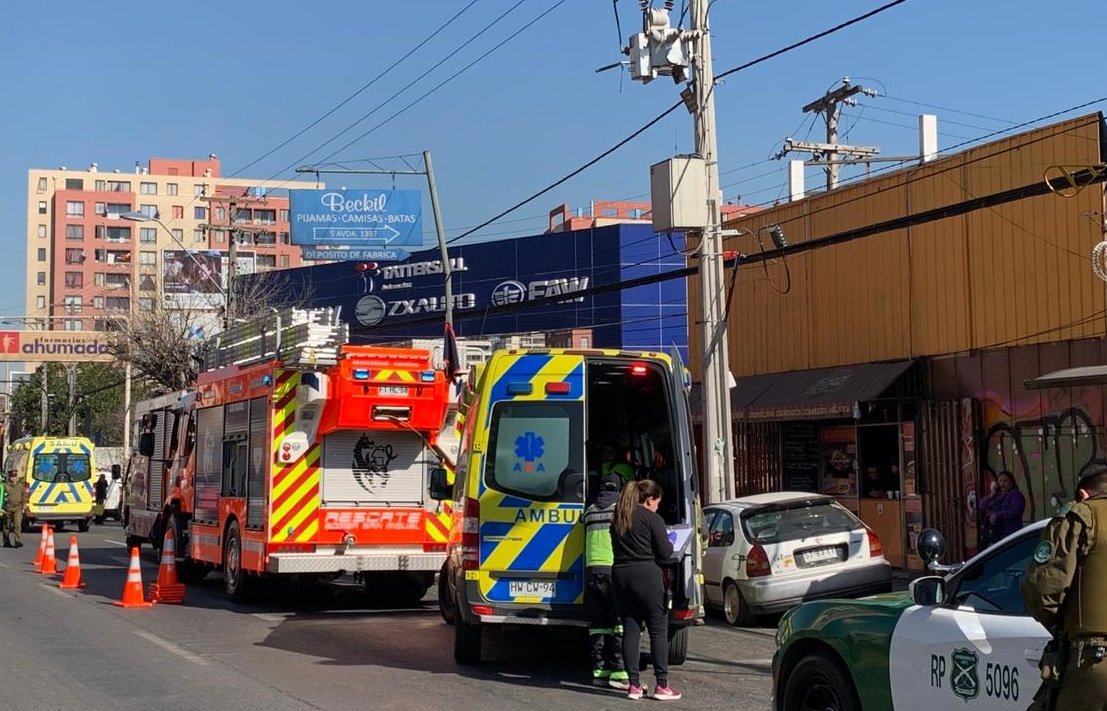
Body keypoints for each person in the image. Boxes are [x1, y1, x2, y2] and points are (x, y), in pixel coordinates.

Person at [1021, 467, 1107, 710]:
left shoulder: (1082, 515)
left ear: (1083, 494)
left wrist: (1064, 627)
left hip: (1094, 663)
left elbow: (1043, 589)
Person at [611, 479, 681, 701]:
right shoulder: (652, 519)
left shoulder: (619, 517)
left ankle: (633, 685)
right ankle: (662, 685)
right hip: (647, 576)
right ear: (649, 500)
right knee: (658, 631)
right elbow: (664, 553)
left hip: (621, 576)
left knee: (631, 630)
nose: (657, 507)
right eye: (657, 503)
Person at [583, 473, 629, 689]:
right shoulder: (619, 510)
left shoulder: (590, 510)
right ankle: (619, 672)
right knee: (618, 624)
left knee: (598, 625)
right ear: (619, 490)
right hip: (612, 569)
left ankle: (599, 672)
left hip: (592, 571)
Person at [979, 471, 1025, 548]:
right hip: (995, 534)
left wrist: (998, 514)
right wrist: (992, 494)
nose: (1002, 484)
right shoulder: (997, 495)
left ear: (1011, 482)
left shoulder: (1015, 495)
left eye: (1005, 481)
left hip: (1010, 533)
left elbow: (1016, 511)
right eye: (1000, 481)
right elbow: (981, 505)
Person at [2, 471, 24, 548]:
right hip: (8, 508)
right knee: (7, 526)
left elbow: (24, 495)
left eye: (15, 477)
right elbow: (2, 496)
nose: (14, 478)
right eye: (12, 477)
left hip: (17, 507)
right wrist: (2, 508)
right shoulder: (5, 486)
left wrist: (24, 504)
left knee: (17, 525)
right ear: (9, 477)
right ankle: (6, 541)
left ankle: (17, 541)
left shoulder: (20, 486)